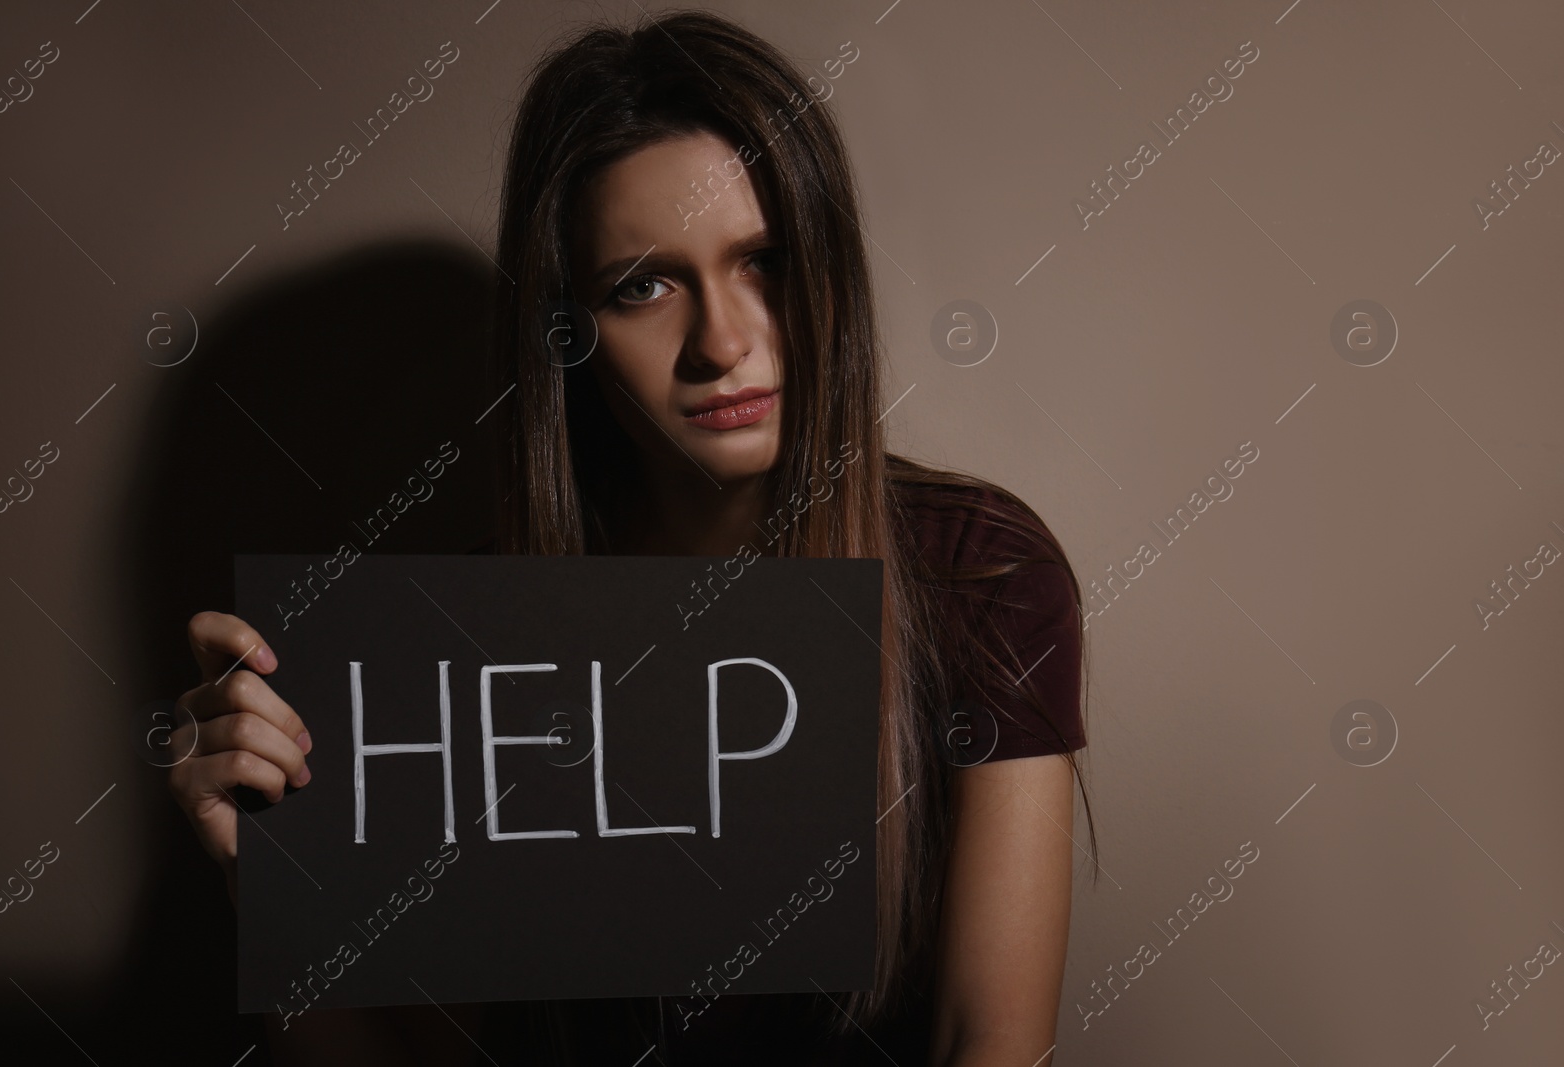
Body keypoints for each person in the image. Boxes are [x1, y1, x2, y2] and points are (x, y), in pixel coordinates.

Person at [167, 9, 1094, 1065]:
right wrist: (274, 873)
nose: (722, 342)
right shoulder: (458, 650)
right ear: (567, 328)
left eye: (765, 260)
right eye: (642, 285)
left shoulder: (981, 575)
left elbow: (995, 1043)